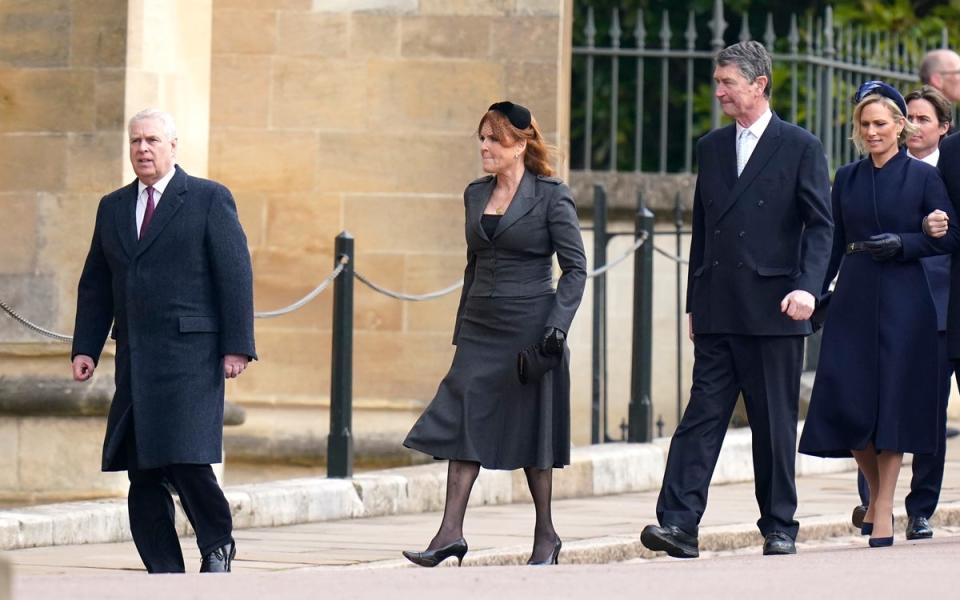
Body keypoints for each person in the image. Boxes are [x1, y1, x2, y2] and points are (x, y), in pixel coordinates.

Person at [639, 41, 833, 559]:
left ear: (759, 84)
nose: (719, 90)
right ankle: (678, 524)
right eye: (719, 81)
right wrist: (692, 304)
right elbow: (703, 231)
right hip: (719, 307)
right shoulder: (711, 147)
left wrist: (808, 288)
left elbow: (821, 225)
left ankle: (779, 525)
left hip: (777, 308)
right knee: (701, 416)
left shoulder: (801, 146)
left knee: (772, 426)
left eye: (728, 82)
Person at [71, 108, 256, 573]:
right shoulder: (112, 207)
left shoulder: (209, 198)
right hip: (136, 359)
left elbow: (234, 275)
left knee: (189, 458)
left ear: (174, 146)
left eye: (152, 140)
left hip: (192, 356)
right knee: (143, 471)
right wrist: (85, 348)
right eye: (135, 141)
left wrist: (237, 345)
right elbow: (96, 282)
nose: (143, 149)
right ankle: (163, 571)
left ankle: (217, 545)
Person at [402, 101, 586, 567]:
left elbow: (575, 269)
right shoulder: (473, 194)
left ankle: (546, 536)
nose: (483, 146)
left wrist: (555, 328)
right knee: (465, 417)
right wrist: (463, 328)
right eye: (481, 137)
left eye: (494, 139)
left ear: (520, 144)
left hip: (531, 327)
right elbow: (474, 263)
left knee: (533, 429)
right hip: (481, 328)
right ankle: (450, 534)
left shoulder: (551, 195)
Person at [798, 82, 958, 548]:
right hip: (855, 294)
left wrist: (911, 240)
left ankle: (884, 503)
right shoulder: (846, 178)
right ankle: (875, 497)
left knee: (892, 403)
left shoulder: (925, 178)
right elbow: (829, 241)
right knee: (847, 400)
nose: (872, 132)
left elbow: (948, 238)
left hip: (906, 298)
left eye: (881, 124)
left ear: (900, 126)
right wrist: (811, 290)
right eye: (865, 125)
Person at [850, 85, 954, 541]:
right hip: (884, 301)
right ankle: (876, 503)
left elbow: (949, 233)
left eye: (922, 118)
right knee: (868, 403)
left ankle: (915, 507)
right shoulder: (856, 176)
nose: (913, 124)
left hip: (943, 305)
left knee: (922, 414)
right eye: (907, 115)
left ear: (941, 128)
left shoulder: (939, 171)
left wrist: (923, 234)